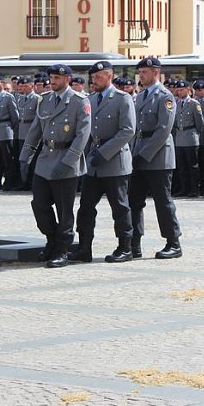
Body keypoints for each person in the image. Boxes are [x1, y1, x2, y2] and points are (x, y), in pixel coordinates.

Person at [19, 64, 91, 268]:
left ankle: (62, 249)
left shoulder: (79, 101)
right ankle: (51, 239)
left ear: (67, 79)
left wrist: (69, 161)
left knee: (64, 210)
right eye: (51, 78)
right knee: (39, 205)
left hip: (66, 159)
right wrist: (25, 156)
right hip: (45, 159)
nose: (52, 81)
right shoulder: (45, 99)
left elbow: (83, 134)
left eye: (57, 78)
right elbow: (35, 129)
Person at [69, 60, 136, 264]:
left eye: (98, 77)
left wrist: (104, 152)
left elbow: (127, 130)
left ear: (109, 76)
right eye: (93, 77)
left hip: (114, 160)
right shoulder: (90, 99)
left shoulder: (122, 98)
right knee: (86, 207)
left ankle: (125, 247)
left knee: (120, 207)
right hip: (93, 162)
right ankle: (84, 247)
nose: (94, 80)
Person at [127, 57, 182, 259]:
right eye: (140, 72)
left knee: (163, 201)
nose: (141, 76)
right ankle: (134, 243)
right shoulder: (141, 95)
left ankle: (173, 242)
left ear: (156, 72)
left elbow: (163, 130)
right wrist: (134, 153)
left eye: (144, 72)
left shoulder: (165, 96)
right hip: (139, 153)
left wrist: (145, 154)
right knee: (134, 202)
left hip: (158, 157)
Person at [0, 75, 20, 190]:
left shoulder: (8, 97)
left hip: (5, 131)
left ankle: (9, 182)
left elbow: (15, 116)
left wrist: (12, 131)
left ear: (2, 84)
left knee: (7, 159)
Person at [172, 80, 203, 198]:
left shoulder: (194, 103)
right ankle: (184, 188)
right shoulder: (176, 103)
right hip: (180, 137)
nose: (179, 92)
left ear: (188, 90)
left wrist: (195, 134)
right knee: (181, 166)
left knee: (192, 165)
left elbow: (199, 122)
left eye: (182, 90)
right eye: (178, 90)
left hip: (190, 136)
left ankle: (194, 189)